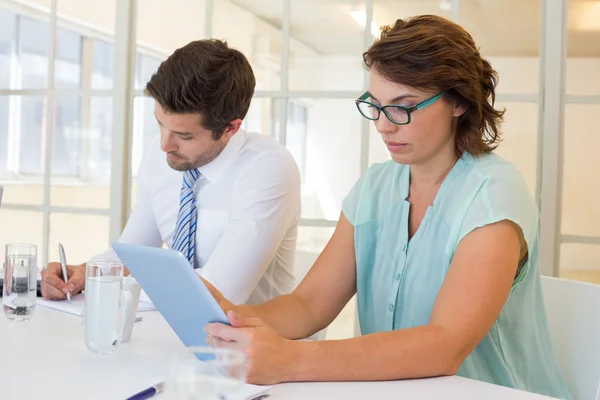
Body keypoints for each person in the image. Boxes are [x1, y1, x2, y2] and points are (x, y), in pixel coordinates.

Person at [203, 15, 572, 399]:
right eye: (375, 106)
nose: (383, 126)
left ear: (459, 102)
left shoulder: (494, 194)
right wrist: (230, 316)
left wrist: (293, 360)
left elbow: (444, 345)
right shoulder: (375, 188)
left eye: (403, 107)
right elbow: (309, 304)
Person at [41, 39, 301, 306]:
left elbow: (217, 293)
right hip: (167, 332)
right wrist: (86, 273)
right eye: (160, 125)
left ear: (230, 129)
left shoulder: (268, 168)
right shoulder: (161, 153)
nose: (166, 144)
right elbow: (134, 254)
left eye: (183, 135)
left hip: (251, 342)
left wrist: (112, 284)